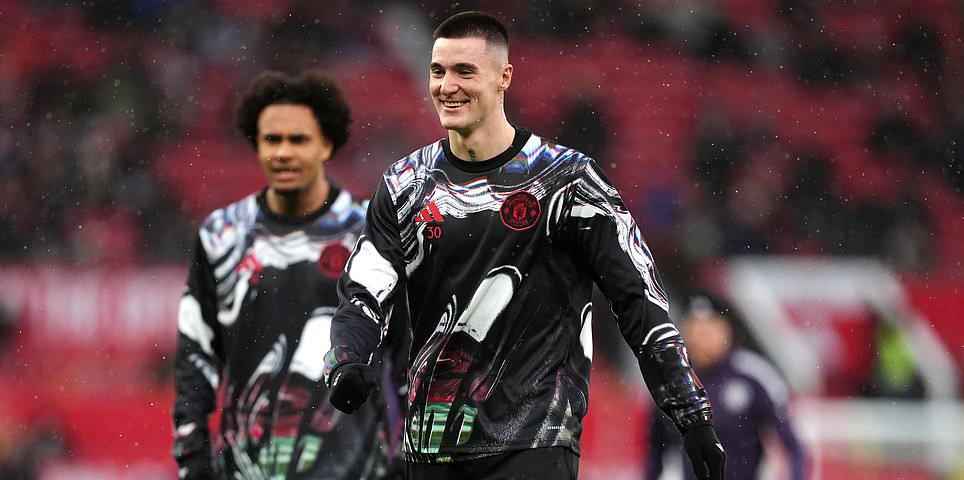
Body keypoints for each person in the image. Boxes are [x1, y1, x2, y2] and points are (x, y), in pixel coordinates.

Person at [323, 11, 725, 480]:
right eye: (438, 71)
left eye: (464, 71)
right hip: (430, 448)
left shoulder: (568, 181)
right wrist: (347, 359)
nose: (447, 86)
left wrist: (691, 412)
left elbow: (639, 298)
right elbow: (364, 292)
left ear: (504, 77)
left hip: (535, 442)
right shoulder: (404, 185)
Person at [172, 69, 406, 480]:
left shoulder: (371, 231)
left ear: (326, 143)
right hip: (246, 468)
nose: (282, 152)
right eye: (271, 139)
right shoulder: (222, 236)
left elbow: (407, 351)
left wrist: (408, 453)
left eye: (298, 140)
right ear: (256, 143)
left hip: (359, 469)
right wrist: (192, 452)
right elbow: (197, 353)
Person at [647, 292, 806, 480]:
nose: (701, 337)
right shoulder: (670, 382)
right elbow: (655, 453)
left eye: (709, 329)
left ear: (727, 331)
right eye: (695, 328)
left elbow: (793, 448)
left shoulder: (753, 376)